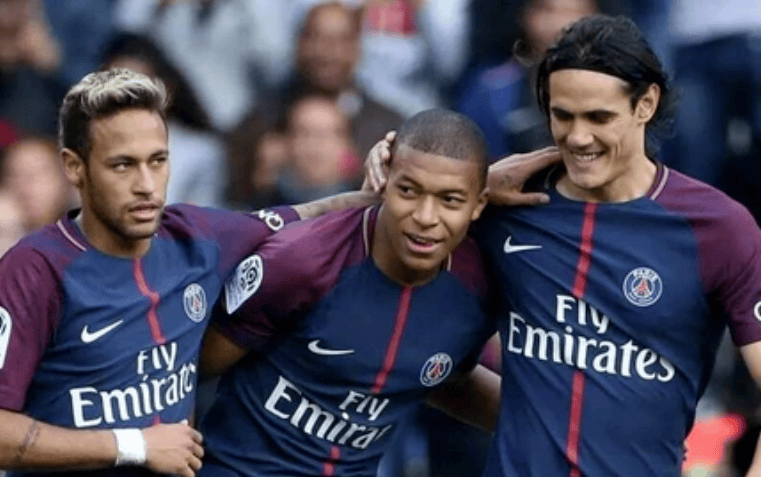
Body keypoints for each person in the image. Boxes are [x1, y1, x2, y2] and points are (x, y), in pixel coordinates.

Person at [367, 14, 761, 477]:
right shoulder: (510, 208)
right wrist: (384, 186)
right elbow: (398, 332)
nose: (577, 137)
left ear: (646, 104)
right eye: (562, 115)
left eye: (598, 117)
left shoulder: (718, 229)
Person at [0, 68, 379, 477]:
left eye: (158, 160)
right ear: (74, 167)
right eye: (123, 165)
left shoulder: (197, 236)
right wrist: (134, 445)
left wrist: (385, 180)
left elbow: (316, 216)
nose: (147, 185)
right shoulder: (35, 270)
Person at [196, 109, 502, 477]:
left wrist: (552, 427)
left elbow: (442, 378)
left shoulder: (475, 287)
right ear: (382, 181)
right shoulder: (300, 260)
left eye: (449, 200)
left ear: (478, 205)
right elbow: (189, 371)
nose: (425, 216)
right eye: (408, 191)